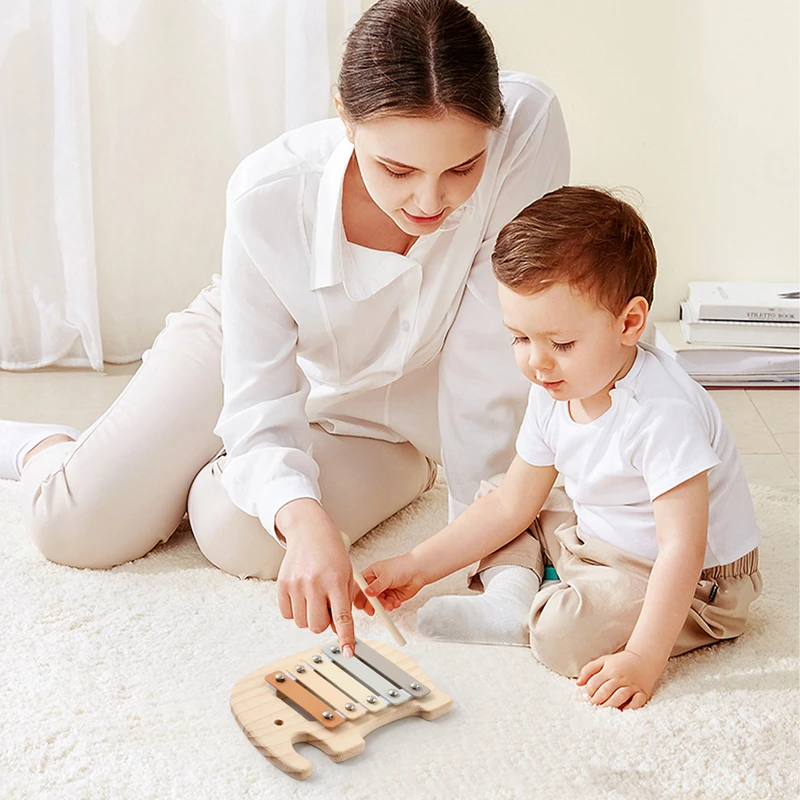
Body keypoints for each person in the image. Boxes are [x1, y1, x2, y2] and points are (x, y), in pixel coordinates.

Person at [0, 0, 569, 660]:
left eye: (461, 170)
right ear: (344, 117)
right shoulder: (268, 193)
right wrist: (301, 514)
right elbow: (258, 396)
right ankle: (48, 448)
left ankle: (311, 470)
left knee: (233, 527)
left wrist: (484, 535)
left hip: (394, 400)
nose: (429, 202)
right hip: (246, 345)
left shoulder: (526, 128)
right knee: (74, 526)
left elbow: (489, 359)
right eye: (398, 170)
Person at [356, 186, 762, 709]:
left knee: (562, 637)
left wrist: (642, 657)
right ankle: (512, 597)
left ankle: (537, 594)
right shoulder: (554, 385)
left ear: (630, 323)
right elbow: (512, 505)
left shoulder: (662, 414)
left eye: (560, 343)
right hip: (599, 534)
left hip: (692, 580)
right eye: (519, 339)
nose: (536, 363)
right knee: (500, 493)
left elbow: (682, 548)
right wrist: (415, 565)